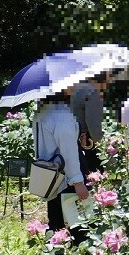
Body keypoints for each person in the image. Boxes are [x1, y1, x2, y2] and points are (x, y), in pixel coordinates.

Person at [33, 90, 89, 238]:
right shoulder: (61, 115)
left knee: (56, 223)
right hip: (66, 176)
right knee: (78, 225)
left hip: (50, 175)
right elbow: (68, 151)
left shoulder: (43, 110)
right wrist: (78, 182)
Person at [70, 72, 109, 175]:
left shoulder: (76, 88)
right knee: (96, 175)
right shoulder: (92, 92)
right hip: (88, 141)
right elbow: (93, 123)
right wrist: (102, 145)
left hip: (75, 137)